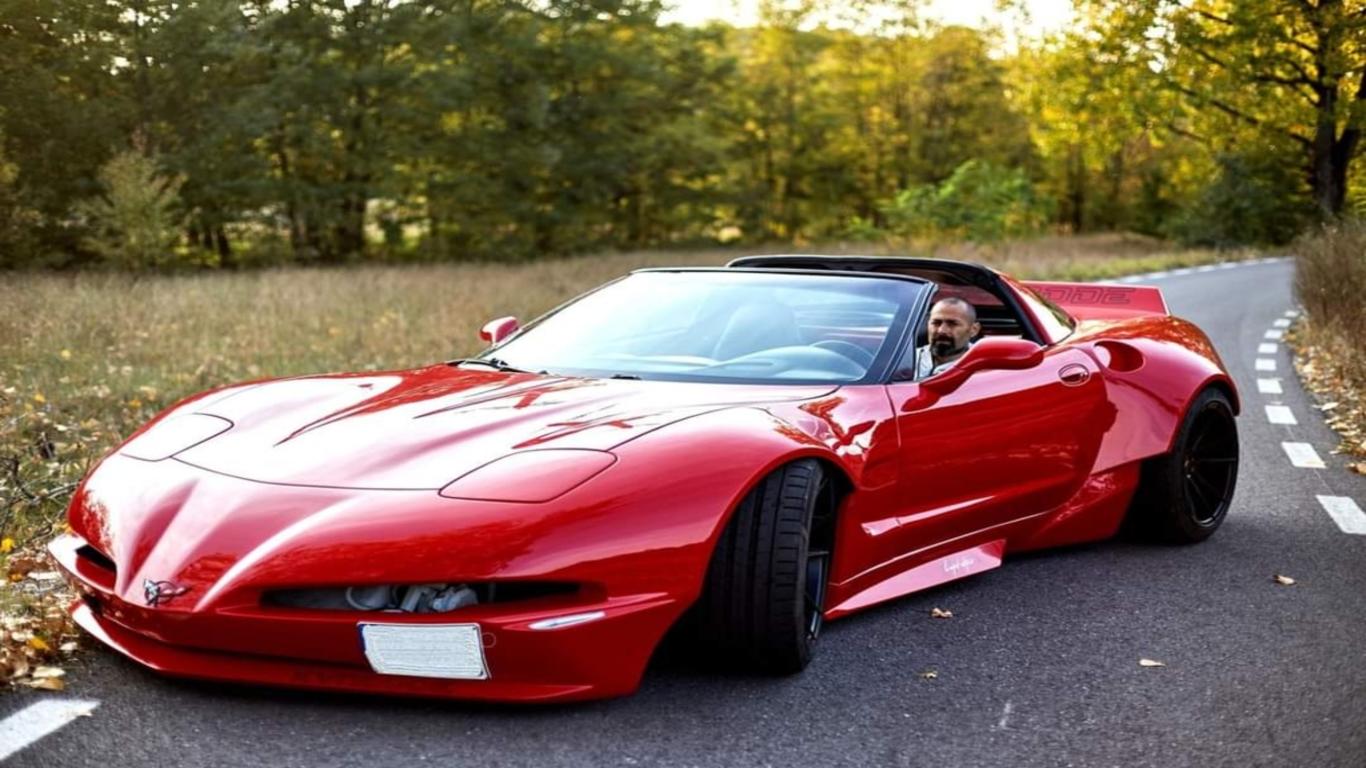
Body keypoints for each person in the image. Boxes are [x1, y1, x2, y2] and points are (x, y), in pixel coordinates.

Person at [903, 297, 981, 380]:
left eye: (952, 324)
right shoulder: (904, 360)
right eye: (936, 323)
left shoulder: (982, 368)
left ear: (974, 330)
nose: (941, 330)